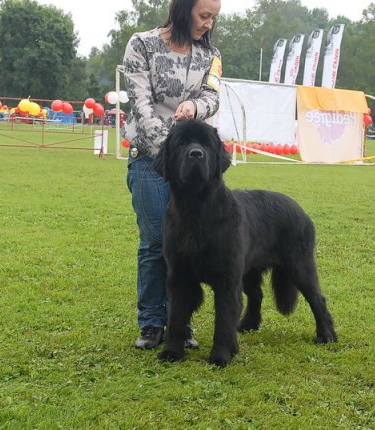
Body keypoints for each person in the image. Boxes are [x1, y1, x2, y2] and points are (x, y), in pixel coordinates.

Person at [122, 0, 223, 349]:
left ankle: (180, 325)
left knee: (192, 246)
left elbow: (213, 96)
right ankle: (151, 323)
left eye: (214, 17)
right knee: (155, 243)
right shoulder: (141, 45)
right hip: (152, 160)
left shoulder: (210, 55)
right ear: (183, 10)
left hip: (195, 169)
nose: (209, 23)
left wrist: (197, 107)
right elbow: (140, 102)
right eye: (204, 15)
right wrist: (172, 152)